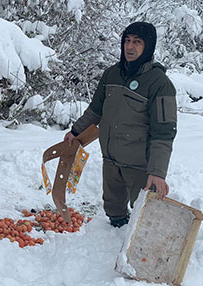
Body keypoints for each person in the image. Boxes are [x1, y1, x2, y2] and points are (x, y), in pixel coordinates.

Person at [65, 22, 177, 228]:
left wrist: (157, 172)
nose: (130, 47)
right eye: (127, 41)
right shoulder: (112, 74)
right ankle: (115, 232)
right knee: (113, 209)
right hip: (110, 160)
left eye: (137, 42)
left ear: (148, 46)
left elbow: (164, 133)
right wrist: (75, 131)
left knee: (145, 212)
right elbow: (95, 110)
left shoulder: (159, 83)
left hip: (139, 165)